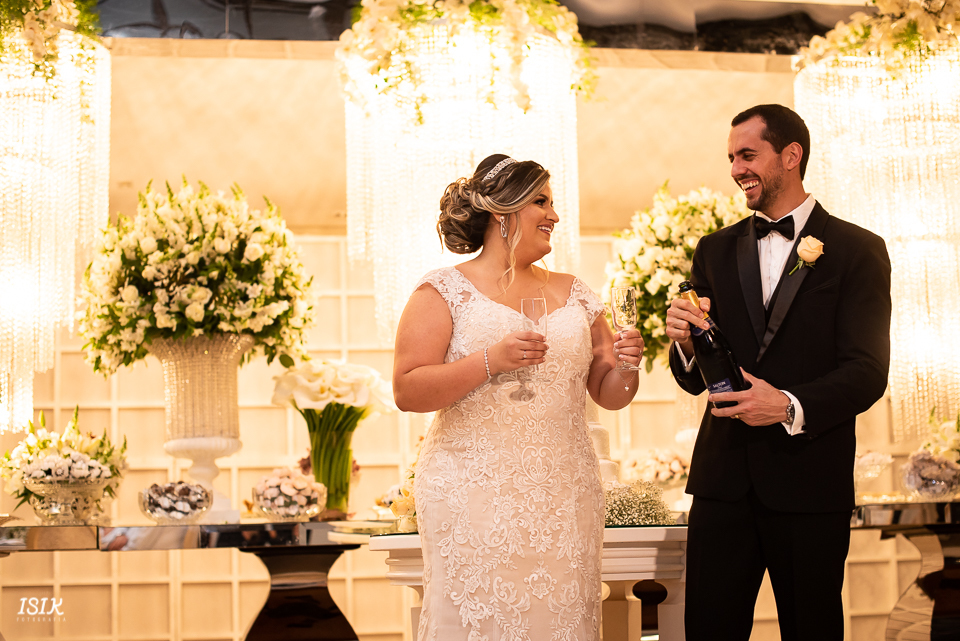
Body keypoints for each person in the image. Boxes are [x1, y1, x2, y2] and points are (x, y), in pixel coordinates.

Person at [393, 154, 643, 640]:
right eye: (541, 202)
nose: (553, 215)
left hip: (565, 492)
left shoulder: (578, 294)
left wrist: (629, 365)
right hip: (472, 491)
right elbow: (407, 389)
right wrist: (491, 360)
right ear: (502, 212)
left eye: (553, 203)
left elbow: (608, 394)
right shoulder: (443, 290)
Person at [664, 104, 891, 641]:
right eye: (731, 158)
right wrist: (685, 344)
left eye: (748, 155)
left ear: (791, 156)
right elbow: (697, 376)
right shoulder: (713, 250)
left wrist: (788, 405)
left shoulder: (859, 251)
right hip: (723, 484)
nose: (737, 168)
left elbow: (867, 371)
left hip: (811, 482)